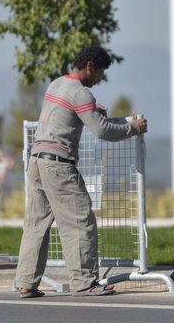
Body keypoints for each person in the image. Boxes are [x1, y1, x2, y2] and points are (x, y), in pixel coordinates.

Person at [15, 45, 148, 299]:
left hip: (37, 160)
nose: (99, 79)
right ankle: (85, 282)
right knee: (79, 221)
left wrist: (90, 110)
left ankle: (25, 282)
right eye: (99, 73)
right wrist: (133, 128)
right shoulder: (81, 93)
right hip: (58, 164)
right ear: (89, 66)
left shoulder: (57, 84)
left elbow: (65, 113)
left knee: (36, 224)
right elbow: (102, 131)